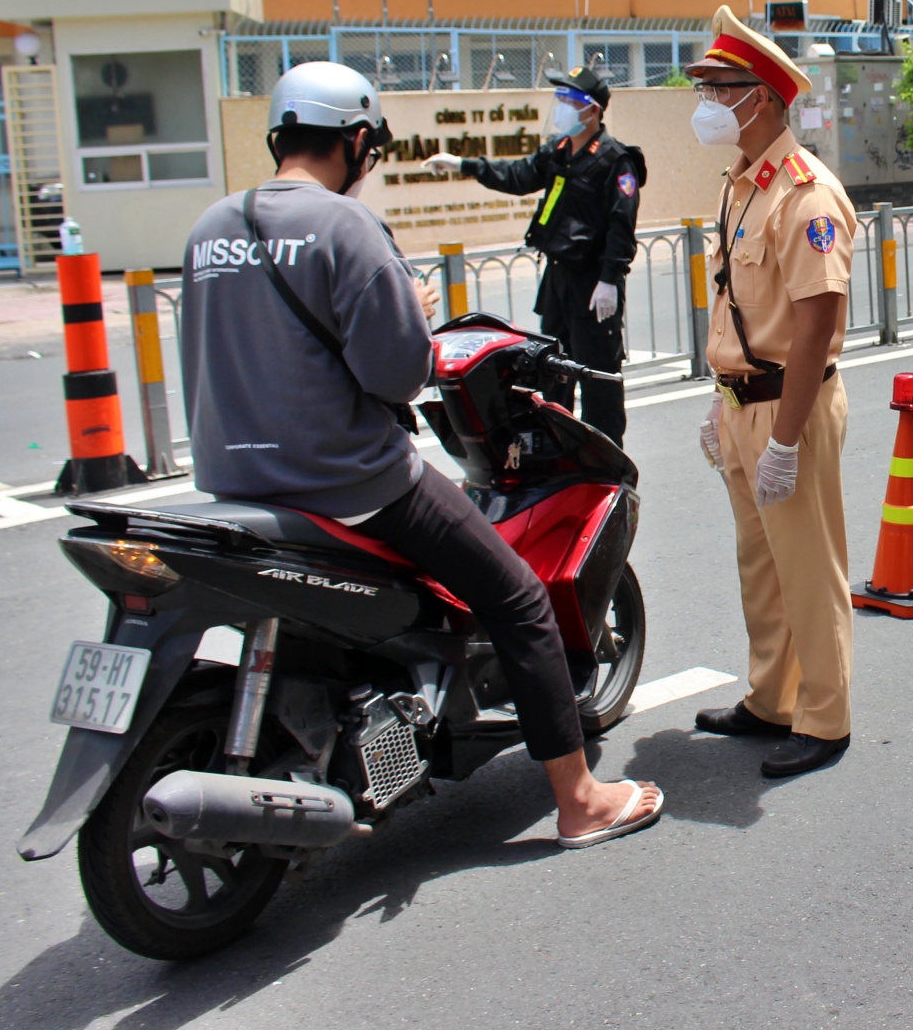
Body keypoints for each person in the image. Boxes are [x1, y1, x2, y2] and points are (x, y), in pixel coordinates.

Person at [180, 61, 660, 849]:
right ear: (359, 140)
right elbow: (400, 372)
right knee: (517, 600)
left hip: (232, 482)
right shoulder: (346, 227)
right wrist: (412, 309)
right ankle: (579, 800)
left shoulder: (210, 228)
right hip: (348, 480)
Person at [685, 7, 857, 778]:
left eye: (722, 89)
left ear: (767, 99)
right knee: (761, 564)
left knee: (807, 566)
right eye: (706, 88)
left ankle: (825, 717)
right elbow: (737, 305)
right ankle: (771, 699)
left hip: (792, 407)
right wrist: (719, 397)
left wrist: (784, 439)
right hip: (742, 405)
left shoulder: (804, 196)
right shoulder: (741, 187)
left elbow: (817, 325)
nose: (708, 103)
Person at [424, 65, 642, 446]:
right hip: (557, 278)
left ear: (591, 110)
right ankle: (559, 449)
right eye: (558, 99)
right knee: (552, 370)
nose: (559, 107)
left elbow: (621, 225)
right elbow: (518, 176)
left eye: (568, 101)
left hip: (592, 284)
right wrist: (464, 165)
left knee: (596, 375)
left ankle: (606, 457)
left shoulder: (615, 160)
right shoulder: (559, 152)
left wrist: (610, 279)